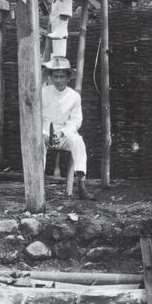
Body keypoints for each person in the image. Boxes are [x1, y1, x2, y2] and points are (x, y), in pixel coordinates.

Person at [41, 56, 95, 200]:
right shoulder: (42, 93)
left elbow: (76, 120)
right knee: (37, 145)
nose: (58, 80)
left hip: (63, 135)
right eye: (55, 76)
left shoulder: (74, 96)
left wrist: (63, 133)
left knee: (78, 142)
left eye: (62, 76)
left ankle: (81, 186)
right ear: (51, 77)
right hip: (44, 133)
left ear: (68, 78)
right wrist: (42, 134)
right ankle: (38, 187)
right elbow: (35, 117)